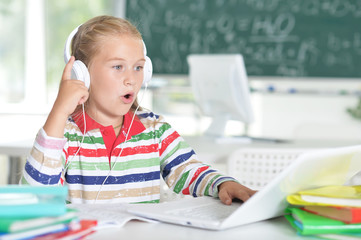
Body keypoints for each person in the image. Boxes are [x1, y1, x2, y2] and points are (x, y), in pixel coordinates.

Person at [21, 15, 256, 205]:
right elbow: (35, 197)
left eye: (138, 67)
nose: (131, 79)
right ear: (81, 74)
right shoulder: (65, 135)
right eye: (118, 66)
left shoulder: (154, 129)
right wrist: (59, 113)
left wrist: (223, 184)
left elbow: (188, 170)